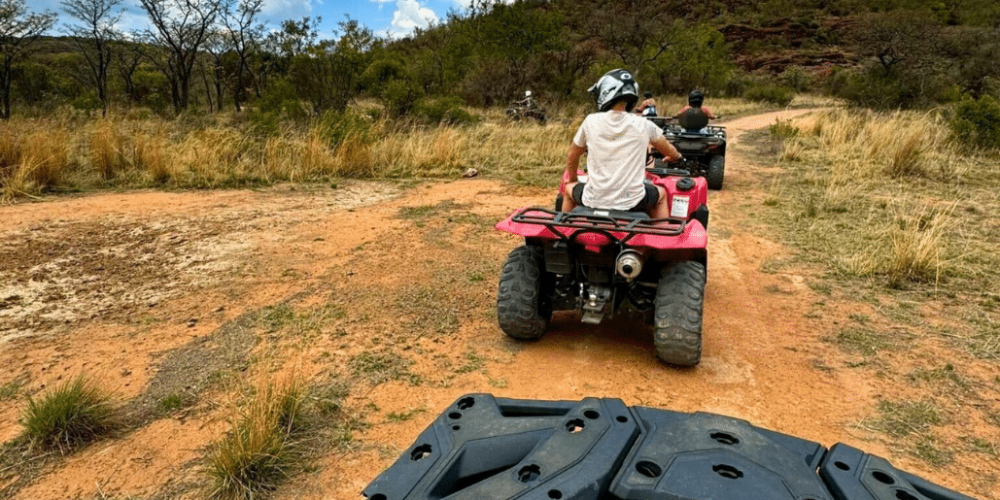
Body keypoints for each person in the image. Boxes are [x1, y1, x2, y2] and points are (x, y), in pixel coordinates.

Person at [562, 69, 682, 219]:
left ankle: (563, 232)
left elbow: (572, 156)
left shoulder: (590, 121)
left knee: (568, 189)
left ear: (605, 93)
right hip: (633, 202)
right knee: (662, 195)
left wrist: (572, 179)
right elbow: (669, 150)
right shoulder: (644, 124)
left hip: (593, 200)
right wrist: (675, 156)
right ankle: (661, 237)